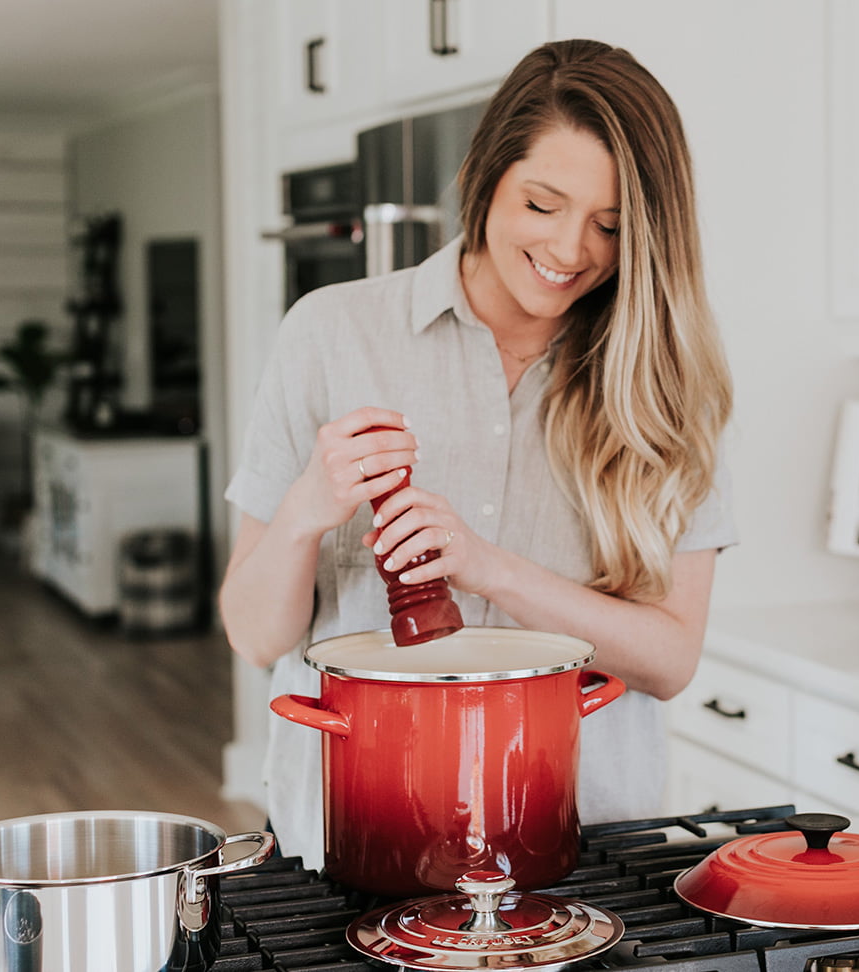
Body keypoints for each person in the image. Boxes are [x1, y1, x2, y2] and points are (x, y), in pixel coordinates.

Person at [220, 38, 736, 871]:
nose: (572, 250)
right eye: (542, 204)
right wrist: (306, 511)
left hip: (583, 851)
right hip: (356, 847)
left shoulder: (667, 385)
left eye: (610, 225)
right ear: (485, 177)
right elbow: (251, 633)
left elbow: (671, 660)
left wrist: (486, 567)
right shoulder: (331, 332)